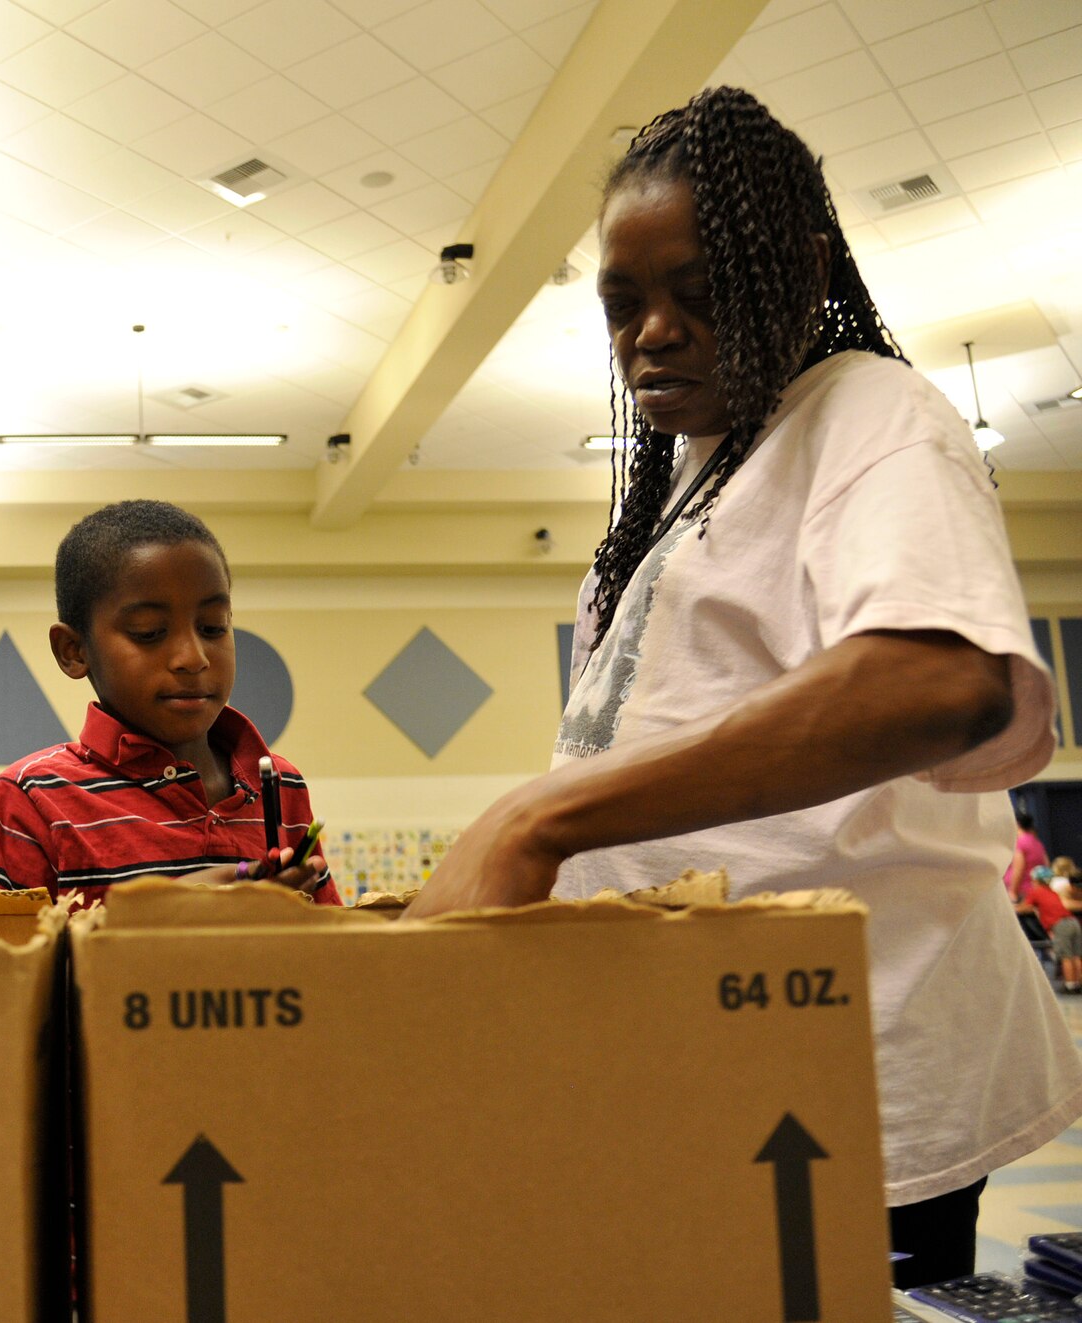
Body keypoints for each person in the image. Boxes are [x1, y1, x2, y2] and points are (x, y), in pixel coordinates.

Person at [404, 87, 1082, 1289]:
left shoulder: (873, 415)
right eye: (622, 304)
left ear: (799, 266)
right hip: (703, 1056)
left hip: (854, 1070)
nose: (650, 333)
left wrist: (537, 817)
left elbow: (941, 679)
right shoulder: (687, 478)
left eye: (698, 294)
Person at [0, 500, 332, 905]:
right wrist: (153, 921)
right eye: (149, 632)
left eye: (213, 627)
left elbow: (335, 948)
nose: (193, 658)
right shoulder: (29, 800)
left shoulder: (279, 784)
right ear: (74, 650)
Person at [1018, 867, 1082, 991]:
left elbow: (1026, 907)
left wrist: (1012, 908)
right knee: (1076, 955)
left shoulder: (1037, 891)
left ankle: (1070, 985)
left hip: (1060, 924)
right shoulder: (1053, 891)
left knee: (1066, 956)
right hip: (1073, 921)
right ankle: (1078, 983)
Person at [1006, 808, 1049, 902]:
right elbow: (1046, 865)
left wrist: (1012, 891)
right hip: (1035, 890)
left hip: (1022, 892)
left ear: (1016, 824)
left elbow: (1018, 869)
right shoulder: (1037, 842)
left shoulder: (1019, 843)